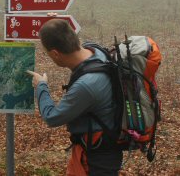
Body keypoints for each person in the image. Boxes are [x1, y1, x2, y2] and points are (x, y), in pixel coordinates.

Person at [27, 19, 123, 176]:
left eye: (47, 54)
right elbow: (63, 33)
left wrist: (41, 86)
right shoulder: (95, 51)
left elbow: (52, 118)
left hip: (96, 160)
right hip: (101, 148)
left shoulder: (86, 85)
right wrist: (55, 23)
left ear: (55, 54)